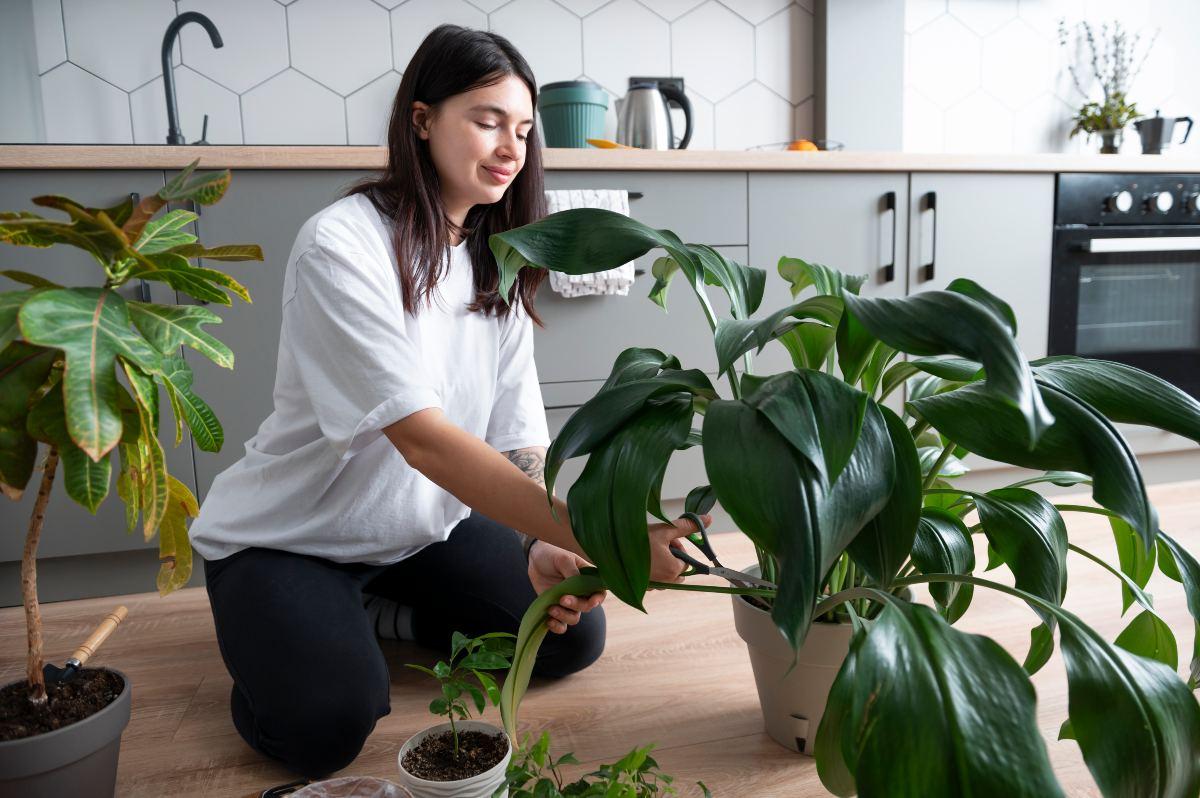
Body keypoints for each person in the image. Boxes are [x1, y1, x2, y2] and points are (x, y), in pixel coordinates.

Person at [187, 24, 707, 779]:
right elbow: (424, 441)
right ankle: (279, 636)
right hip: (290, 538)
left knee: (567, 636)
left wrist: (542, 544)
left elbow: (516, 439)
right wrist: (608, 535)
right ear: (421, 119)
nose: (510, 148)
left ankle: (382, 617)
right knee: (326, 724)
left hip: (416, 533)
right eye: (488, 120)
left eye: (524, 130)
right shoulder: (343, 245)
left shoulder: (498, 261)